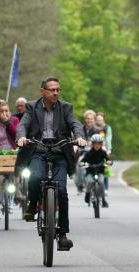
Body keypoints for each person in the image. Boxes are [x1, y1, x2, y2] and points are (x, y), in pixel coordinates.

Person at [16, 76, 87, 251]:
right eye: (52, 90)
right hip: (38, 151)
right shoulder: (32, 107)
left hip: (59, 152)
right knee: (35, 177)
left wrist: (79, 136)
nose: (56, 93)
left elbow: (75, 123)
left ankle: (62, 235)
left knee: (62, 192)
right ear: (42, 91)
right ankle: (33, 203)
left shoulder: (66, 107)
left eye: (58, 90)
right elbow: (22, 124)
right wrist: (21, 137)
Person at [81, 134, 112, 208]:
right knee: (89, 182)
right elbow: (83, 161)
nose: (97, 145)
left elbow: (109, 160)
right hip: (90, 171)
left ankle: (104, 200)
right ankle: (87, 194)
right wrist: (82, 163)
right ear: (92, 144)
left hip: (100, 171)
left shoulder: (103, 152)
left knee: (101, 182)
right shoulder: (89, 153)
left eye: (99, 144)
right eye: (95, 143)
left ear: (101, 144)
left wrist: (109, 162)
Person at [94, 112, 113, 191]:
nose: (99, 121)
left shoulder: (107, 127)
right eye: (98, 120)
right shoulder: (93, 127)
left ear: (103, 120)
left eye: (100, 120)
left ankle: (105, 187)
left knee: (105, 168)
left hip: (104, 149)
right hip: (94, 149)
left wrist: (108, 150)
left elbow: (108, 139)